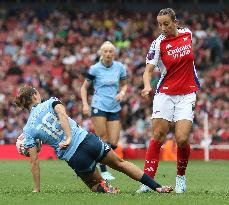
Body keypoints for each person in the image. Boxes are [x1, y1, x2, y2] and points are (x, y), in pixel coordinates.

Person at [14, 85, 173, 194]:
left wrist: (37, 188)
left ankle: (105, 188)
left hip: (74, 157)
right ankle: (157, 187)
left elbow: (34, 161)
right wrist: (69, 136)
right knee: (121, 164)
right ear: (35, 95)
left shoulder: (28, 130)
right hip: (87, 141)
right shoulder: (50, 102)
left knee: (95, 184)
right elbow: (62, 115)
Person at [137, 8, 200, 194]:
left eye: (166, 23)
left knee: (181, 139)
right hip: (165, 93)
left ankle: (180, 177)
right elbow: (148, 70)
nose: (163, 28)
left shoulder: (188, 34)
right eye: (159, 24)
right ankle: (148, 182)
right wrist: (147, 86)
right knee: (158, 135)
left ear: (175, 22)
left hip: (187, 94)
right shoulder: (158, 44)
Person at [81, 41, 127, 180]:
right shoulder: (94, 69)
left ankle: (95, 159)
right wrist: (85, 104)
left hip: (114, 106)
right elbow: (84, 87)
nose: (108, 54)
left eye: (110, 51)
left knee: (113, 142)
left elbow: (124, 85)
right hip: (98, 105)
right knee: (103, 138)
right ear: (101, 53)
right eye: (105, 51)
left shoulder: (120, 67)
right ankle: (104, 170)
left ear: (114, 54)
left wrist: (122, 93)